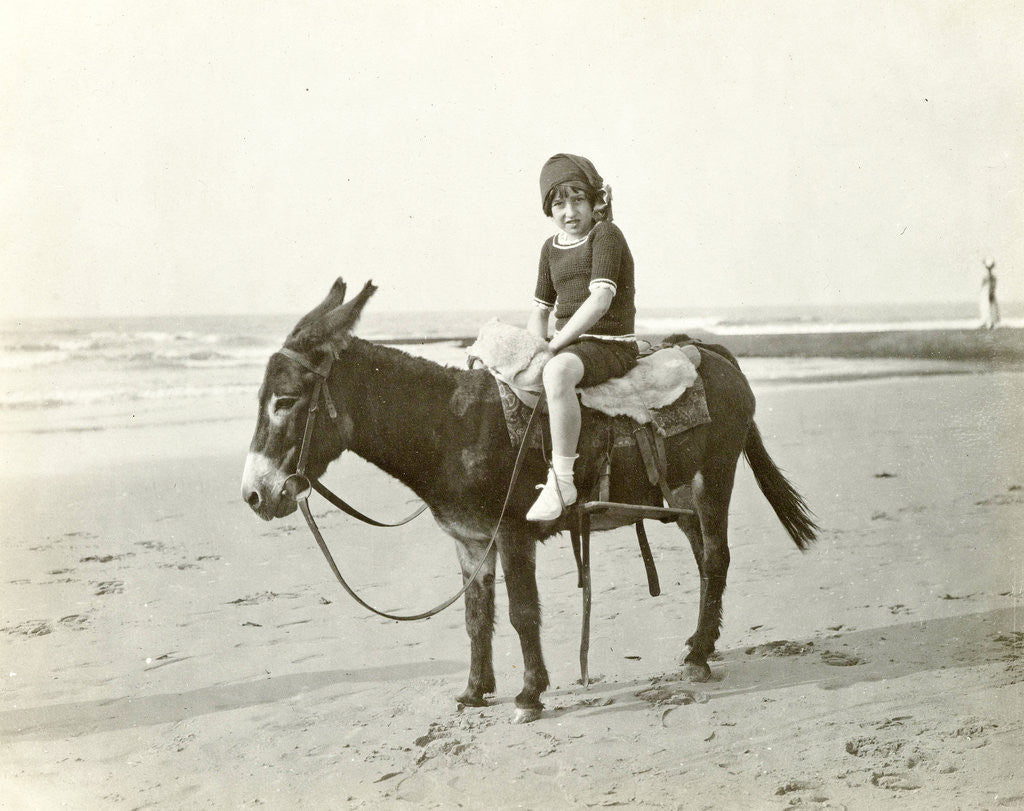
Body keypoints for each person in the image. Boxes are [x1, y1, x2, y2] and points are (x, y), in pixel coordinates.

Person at [525, 154, 637, 521]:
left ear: (594, 203)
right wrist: (535, 349)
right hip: (572, 346)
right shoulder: (550, 248)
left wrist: (554, 347)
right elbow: (540, 310)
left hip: (609, 344)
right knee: (518, 377)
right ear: (549, 209)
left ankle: (562, 481)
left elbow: (600, 300)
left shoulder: (605, 235)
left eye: (577, 200)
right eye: (559, 204)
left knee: (557, 373)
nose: (569, 212)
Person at [980, 257, 1000, 330]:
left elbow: (988, 285)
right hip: (987, 292)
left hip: (988, 292)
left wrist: (991, 292)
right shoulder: (989, 277)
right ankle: (989, 322)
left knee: (989, 307)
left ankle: (990, 323)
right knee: (988, 307)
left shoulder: (989, 277)